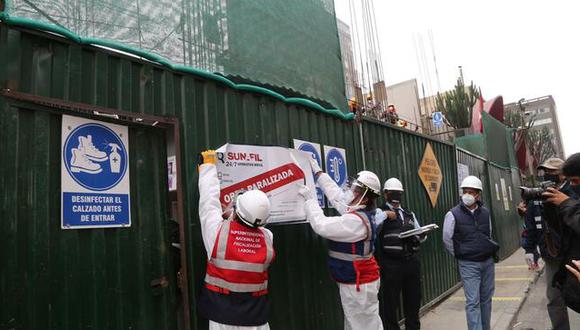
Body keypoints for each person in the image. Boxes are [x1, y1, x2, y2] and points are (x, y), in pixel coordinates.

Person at [298, 158, 383, 330]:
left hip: (359, 283)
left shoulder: (356, 221)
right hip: (356, 281)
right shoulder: (359, 212)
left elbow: (321, 225)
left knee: (362, 326)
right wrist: (318, 173)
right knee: (357, 324)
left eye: (356, 189)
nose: (351, 191)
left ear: (365, 198)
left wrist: (309, 200)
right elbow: (337, 197)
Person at [197, 150, 275, 330]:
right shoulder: (267, 238)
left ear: (237, 211)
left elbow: (208, 203)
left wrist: (208, 166)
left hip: (222, 317)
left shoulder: (217, 233)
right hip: (257, 318)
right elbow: (253, 221)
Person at [443, 176, 499, 330]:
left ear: (478, 195)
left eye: (471, 192)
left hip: (487, 262)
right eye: (465, 191)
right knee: (473, 301)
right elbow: (447, 238)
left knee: (486, 299)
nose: (467, 194)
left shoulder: (485, 213)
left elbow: (489, 234)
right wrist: (460, 254)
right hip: (468, 264)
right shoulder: (453, 214)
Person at [522, 157, 571, 329]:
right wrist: (529, 249)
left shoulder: (573, 192)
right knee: (554, 298)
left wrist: (564, 201)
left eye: (553, 172)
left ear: (563, 175)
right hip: (551, 256)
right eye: (546, 171)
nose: (548, 175)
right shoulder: (539, 195)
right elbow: (532, 225)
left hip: (573, 254)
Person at [376, 178, 427, 330]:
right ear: (385, 194)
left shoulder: (409, 214)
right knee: (390, 303)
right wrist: (386, 214)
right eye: (392, 193)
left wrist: (422, 235)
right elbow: (372, 224)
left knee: (413, 300)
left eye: (398, 193)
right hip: (391, 265)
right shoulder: (380, 211)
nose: (395, 196)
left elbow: (419, 232)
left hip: (411, 262)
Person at [543, 153, 580, 314]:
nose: (572, 185)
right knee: (554, 298)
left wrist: (566, 204)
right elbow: (563, 228)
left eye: (575, 181)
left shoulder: (569, 198)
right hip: (558, 255)